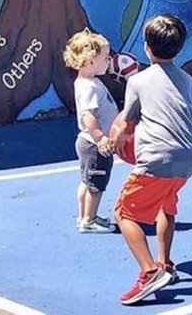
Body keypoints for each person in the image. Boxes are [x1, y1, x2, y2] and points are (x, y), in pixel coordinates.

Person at [111, 14, 192, 306]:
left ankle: (149, 272)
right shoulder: (187, 79)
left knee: (124, 213)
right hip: (188, 158)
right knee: (167, 204)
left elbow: (127, 124)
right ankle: (165, 264)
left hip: (157, 159)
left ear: (147, 47)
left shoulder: (137, 81)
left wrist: (114, 142)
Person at [62, 29, 120, 234]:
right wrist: (100, 137)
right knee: (96, 184)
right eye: (105, 57)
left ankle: (84, 216)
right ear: (90, 61)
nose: (109, 60)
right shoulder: (89, 87)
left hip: (86, 142)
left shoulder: (87, 82)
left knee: (87, 181)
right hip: (94, 145)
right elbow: (88, 115)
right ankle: (89, 220)